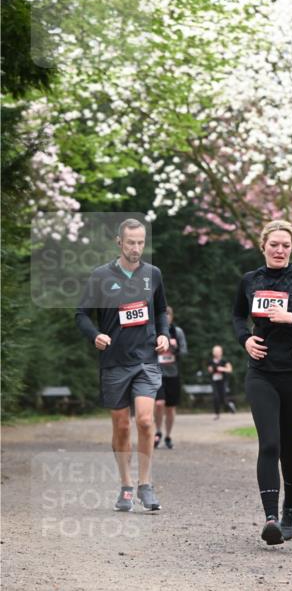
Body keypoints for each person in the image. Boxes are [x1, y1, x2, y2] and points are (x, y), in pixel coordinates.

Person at [232, 219, 292, 545]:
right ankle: (271, 518)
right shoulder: (250, 280)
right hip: (261, 372)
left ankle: (290, 505)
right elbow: (236, 316)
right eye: (274, 244)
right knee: (269, 444)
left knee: (288, 447)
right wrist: (245, 339)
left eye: (285, 245)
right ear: (263, 246)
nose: (279, 250)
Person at [75, 218, 169, 511]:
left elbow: (162, 310)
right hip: (114, 361)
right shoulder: (101, 275)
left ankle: (146, 485)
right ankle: (126, 486)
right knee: (121, 427)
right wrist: (96, 336)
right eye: (131, 242)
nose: (136, 248)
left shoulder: (153, 274)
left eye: (141, 242)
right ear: (119, 242)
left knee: (144, 420)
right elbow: (81, 315)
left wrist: (164, 334)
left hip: (146, 360)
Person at [154, 306, 187, 449]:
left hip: (173, 374)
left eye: (168, 315)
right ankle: (158, 432)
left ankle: (167, 436)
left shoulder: (177, 332)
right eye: (164, 314)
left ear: (172, 317)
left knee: (170, 408)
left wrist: (176, 347)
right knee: (159, 403)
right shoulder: (154, 331)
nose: (166, 317)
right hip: (157, 373)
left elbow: (184, 351)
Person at [207, 345, 236, 417]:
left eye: (218, 351)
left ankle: (230, 405)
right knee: (215, 397)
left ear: (221, 352)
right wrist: (211, 370)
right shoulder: (210, 361)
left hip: (223, 381)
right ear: (213, 352)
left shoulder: (224, 361)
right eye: (215, 351)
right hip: (214, 381)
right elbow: (209, 370)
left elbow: (230, 370)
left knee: (223, 398)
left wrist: (222, 369)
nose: (216, 353)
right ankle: (217, 413)